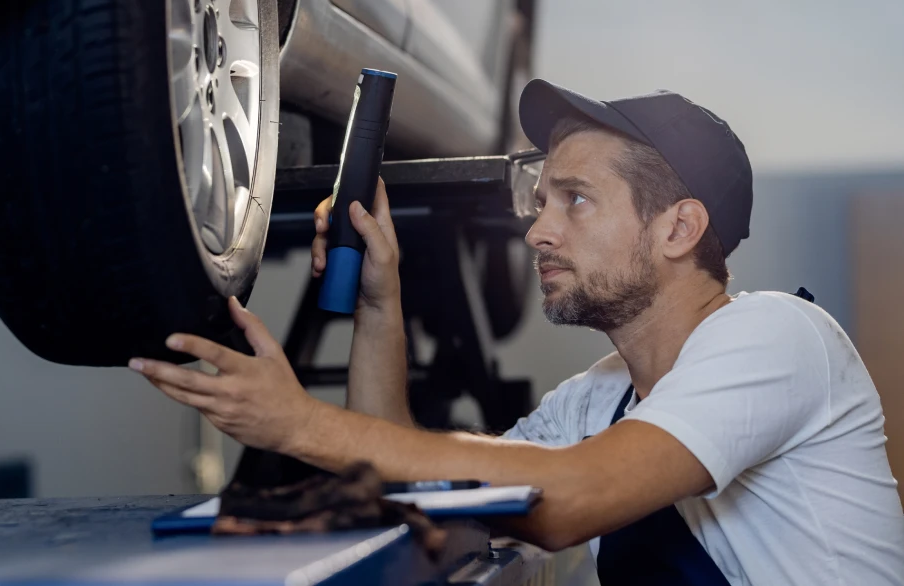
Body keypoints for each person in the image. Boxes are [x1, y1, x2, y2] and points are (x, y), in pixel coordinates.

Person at [129, 80, 904, 585]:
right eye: (541, 199)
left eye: (575, 200)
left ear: (678, 229)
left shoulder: (780, 337)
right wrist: (380, 297)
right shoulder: (598, 403)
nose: (537, 230)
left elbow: (568, 498)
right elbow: (420, 469)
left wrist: (300, 423)